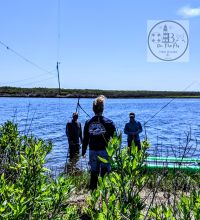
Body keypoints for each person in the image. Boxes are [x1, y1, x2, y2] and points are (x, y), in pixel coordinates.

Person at [82, 95, 116, 190]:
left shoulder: (88, 122)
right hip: (105, 151)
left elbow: (85, 139)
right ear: (103, 108)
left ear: (93, 109)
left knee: (93, 174)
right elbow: (114, 140)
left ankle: (93, 196)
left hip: (92, 151)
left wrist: (83, 151)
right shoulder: (109, 123)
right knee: (105, 175)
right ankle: (104, 196)